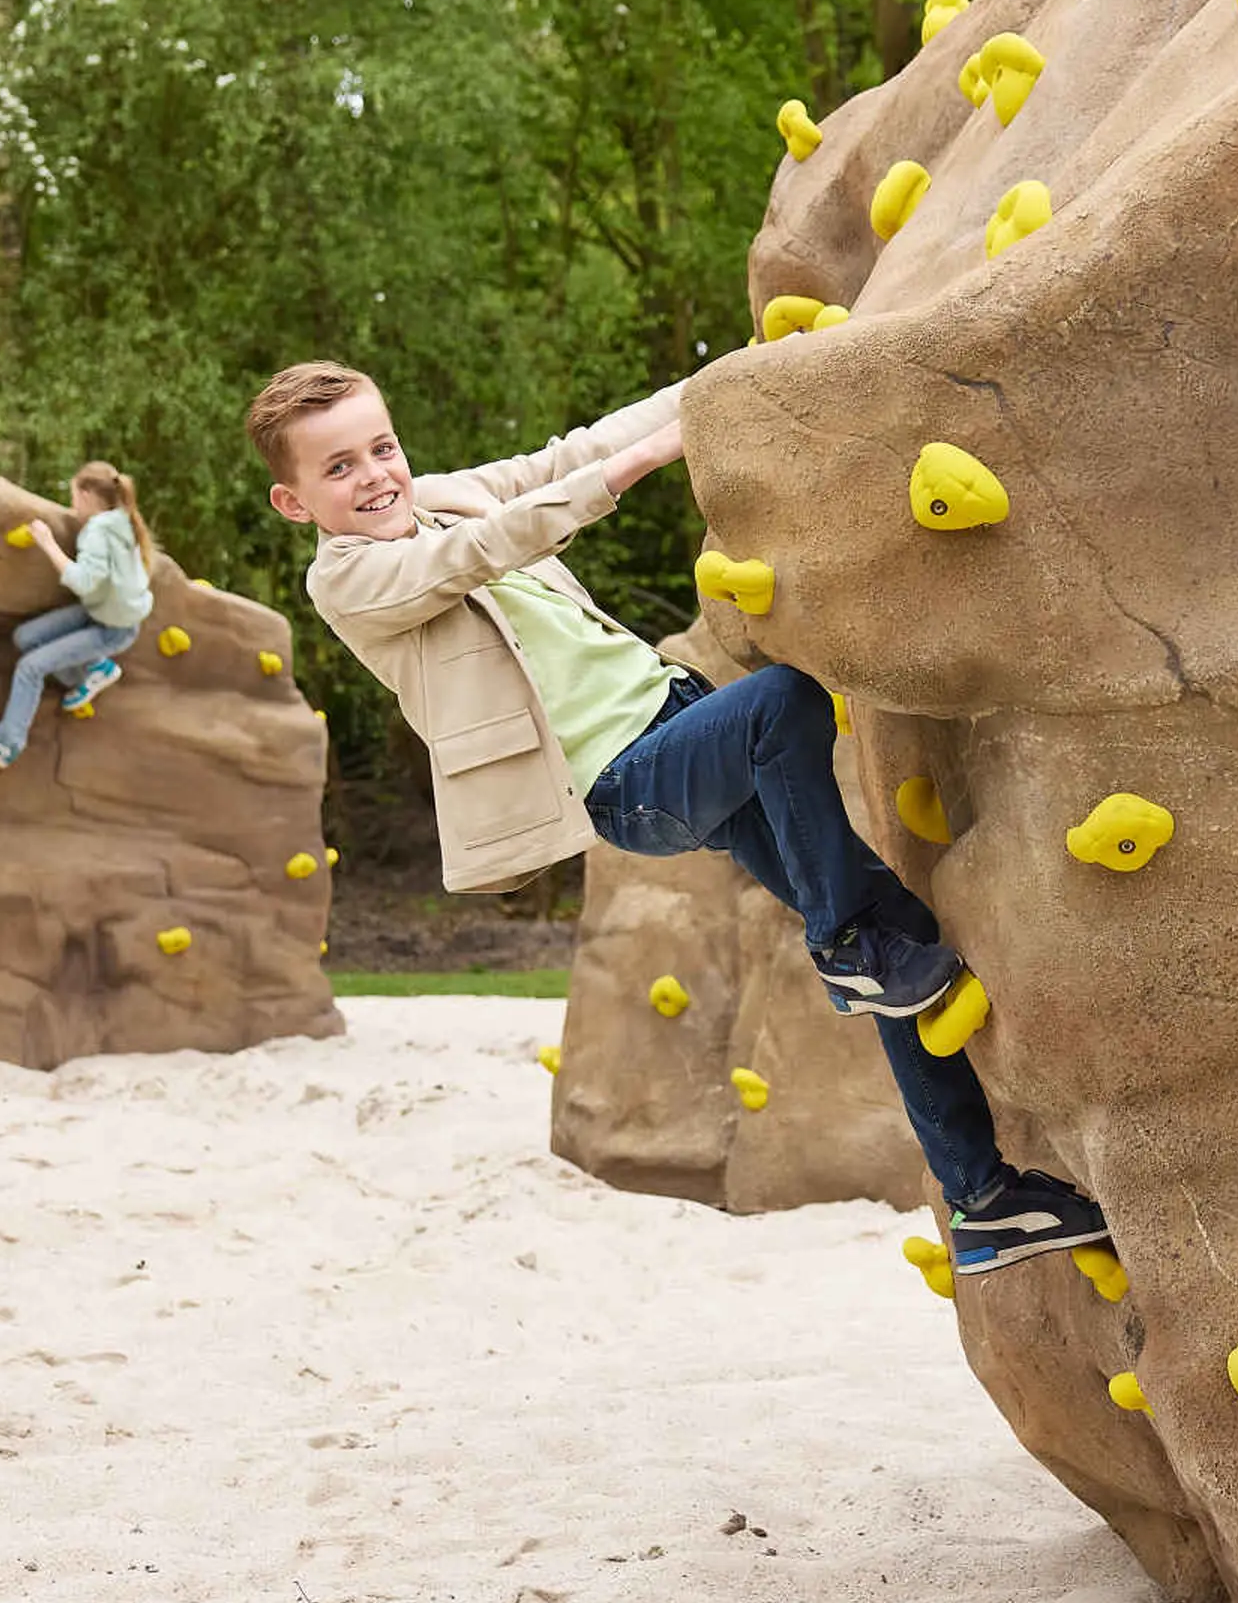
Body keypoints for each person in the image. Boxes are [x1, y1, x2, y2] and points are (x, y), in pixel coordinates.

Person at [250, 360, 1110, 1274]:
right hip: (629, 780)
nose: (375, 474)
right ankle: (850, 947)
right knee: (782, 703)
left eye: (380, 447)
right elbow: (485, 549)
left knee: (894, 937)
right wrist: (634, 470)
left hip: (678, 720)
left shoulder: (440, 499)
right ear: (294, 502)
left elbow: (570, 454)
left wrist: (716, 391)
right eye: (338, 468)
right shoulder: (349, 580)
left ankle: (982, 1198)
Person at [0, 460, 159, 769]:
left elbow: (84, 581)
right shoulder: (123, 520)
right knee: (25, 637)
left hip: (112, 628)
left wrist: (46, 543)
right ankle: (95, 670)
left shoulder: (97, 531)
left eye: (73, 498)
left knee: (30, 668)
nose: (72, 506)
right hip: (105, 614)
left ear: (85, 495)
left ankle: (6, 744)